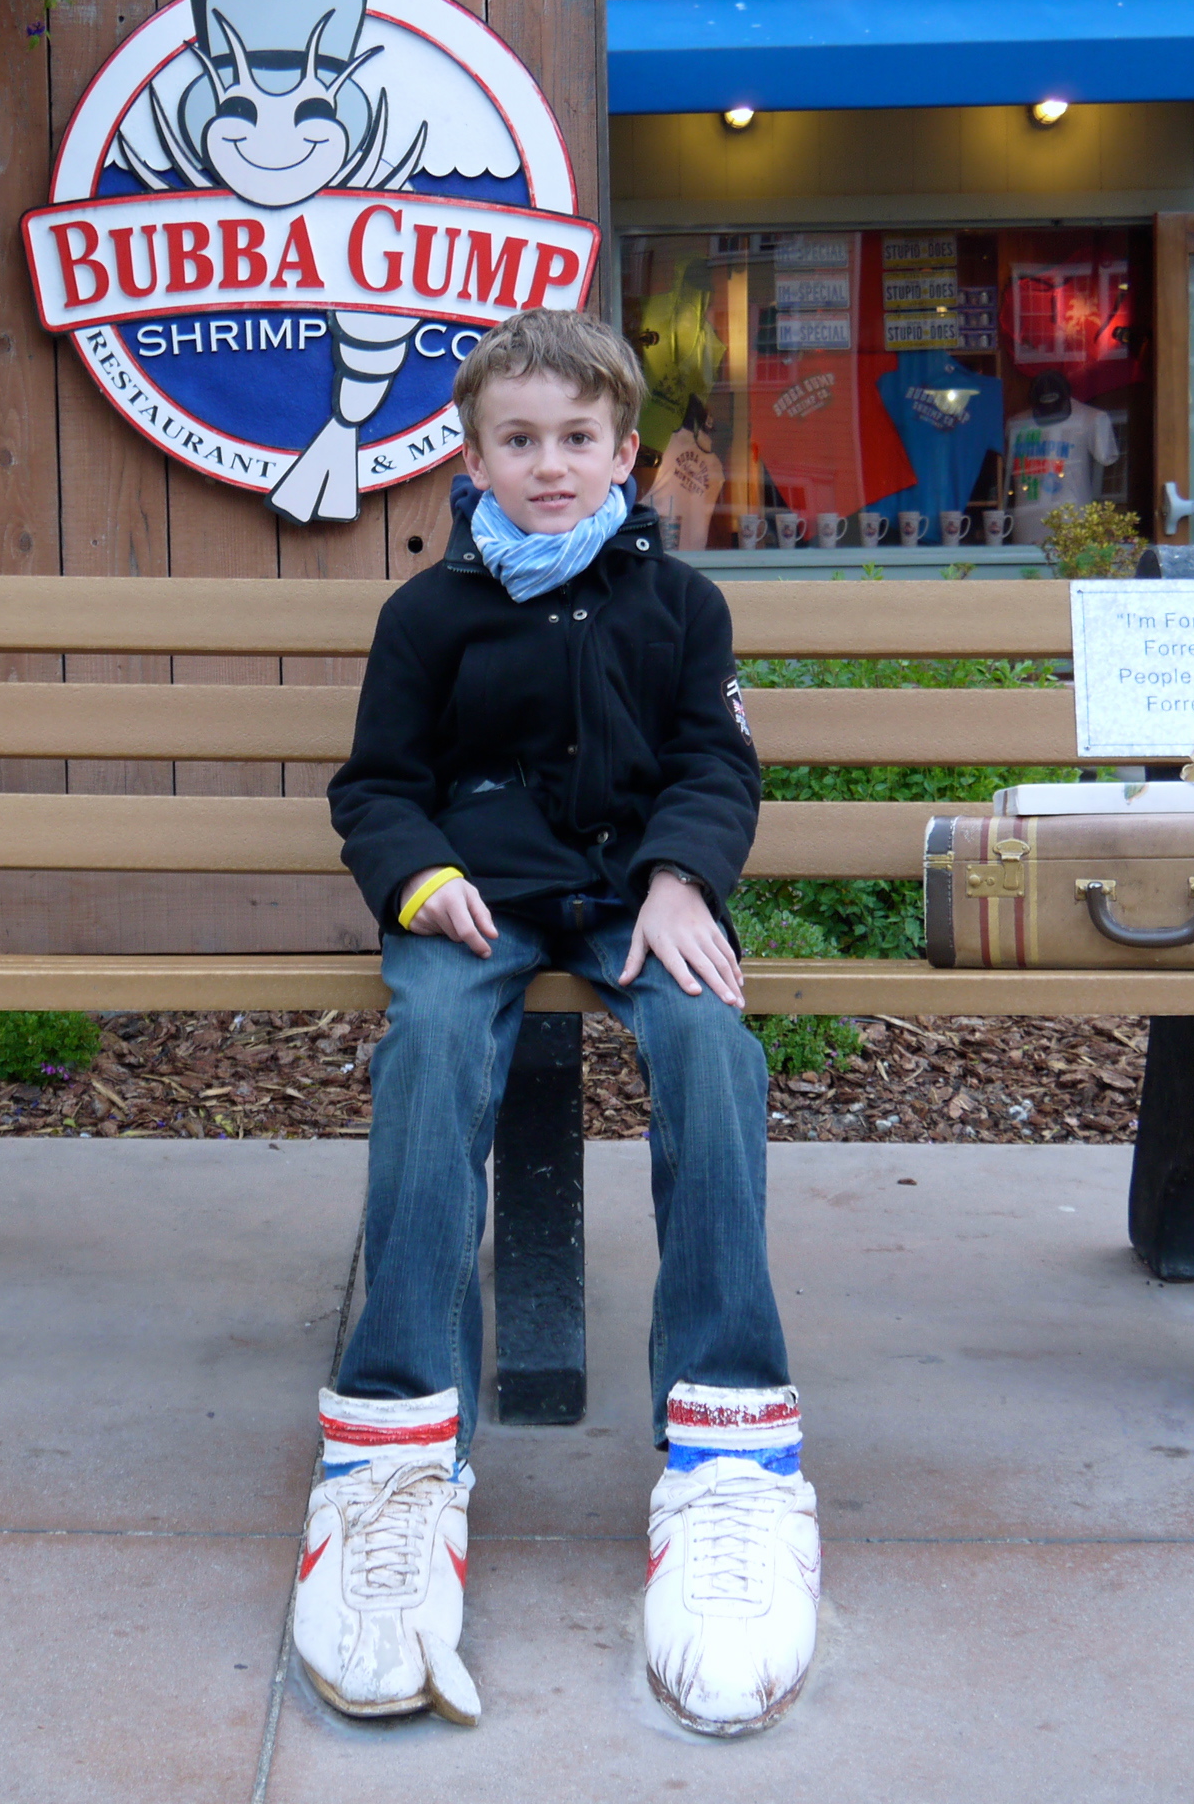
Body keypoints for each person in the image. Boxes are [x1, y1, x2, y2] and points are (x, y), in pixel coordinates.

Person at [300, 309, 818, 1738]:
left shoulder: (681, 606)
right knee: (429, 1054)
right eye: (517, 440)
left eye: (576, 439)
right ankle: (394, 1446)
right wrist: (420, 878)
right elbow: (376, 787)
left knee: (710, 1044)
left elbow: (716, 762)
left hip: (634, 897)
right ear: (470, 459)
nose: (548, 464)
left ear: (624, 452)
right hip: (477, 903)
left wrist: (681, 878)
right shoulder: (429, 616)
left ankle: (730, 1446)